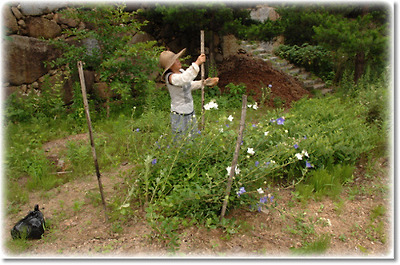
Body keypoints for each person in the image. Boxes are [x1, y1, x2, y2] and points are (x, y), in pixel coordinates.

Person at [159, 48, 219, 139]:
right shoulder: (171, 78)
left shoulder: (181, 72)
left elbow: (188, 85)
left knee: (192, 137)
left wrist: (204, 83)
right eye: (175, 61)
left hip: (190, 111)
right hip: (179, 114)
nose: (179, 61)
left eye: (178, 59)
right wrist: (197, 63)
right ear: (170, 65)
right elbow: (184, 79)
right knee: (180, 140)